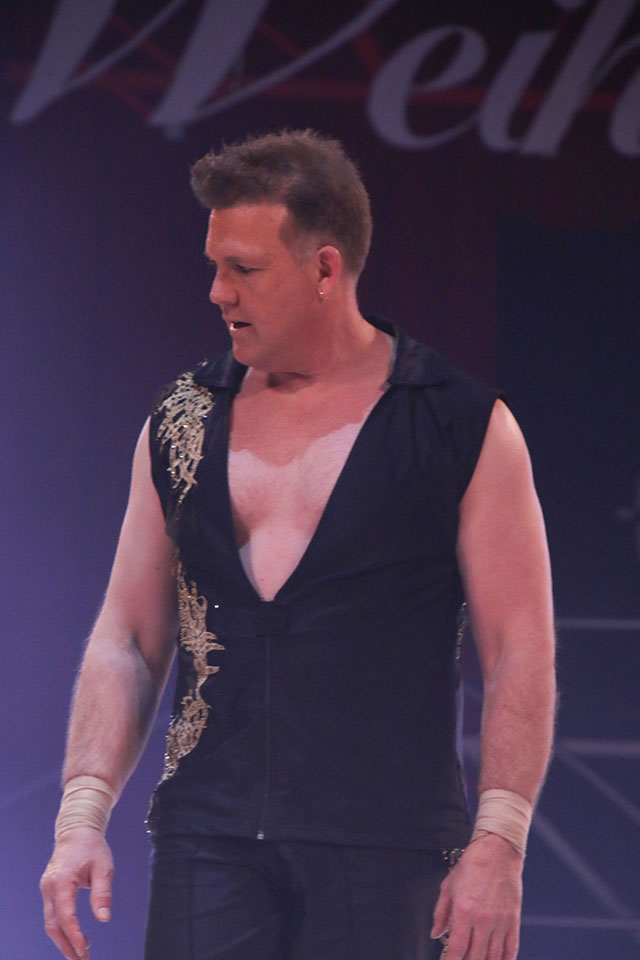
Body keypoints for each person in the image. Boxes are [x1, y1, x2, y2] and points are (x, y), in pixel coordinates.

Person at [40, 130, 556, 960]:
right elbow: (128, 636)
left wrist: (500, 842)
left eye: (244, 269)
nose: (217, 292)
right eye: (215, 265)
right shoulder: (181, 419)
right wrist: (80, 818)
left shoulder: (459, 425)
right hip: (207, 841)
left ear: (324, 269)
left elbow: (519, 648)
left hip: (387, 850)